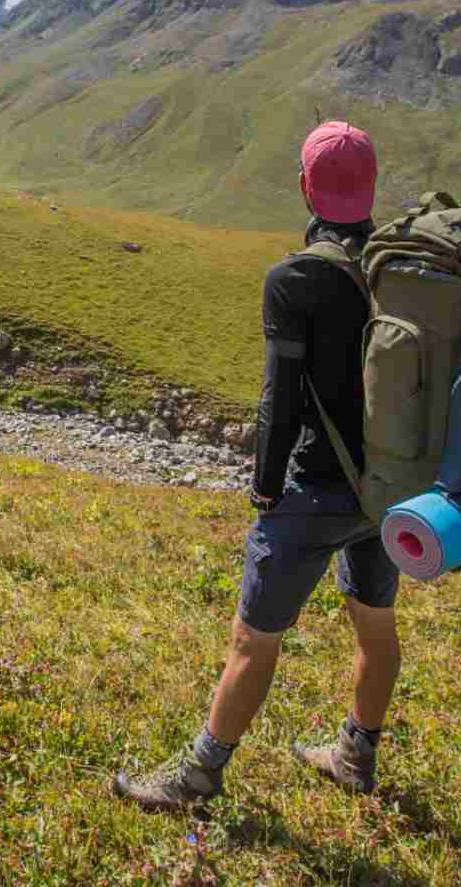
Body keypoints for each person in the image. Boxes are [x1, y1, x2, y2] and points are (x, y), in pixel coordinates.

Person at [114, 121, 401, 812]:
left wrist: (267, 488)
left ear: (306, 187)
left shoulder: (295, 279)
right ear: (370, 189)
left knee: (254, 637)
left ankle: (198, 778)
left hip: (315, 488)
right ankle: (356, 756)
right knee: (376, 622)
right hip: (390, 488)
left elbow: (281, 400)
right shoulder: (401, 271)